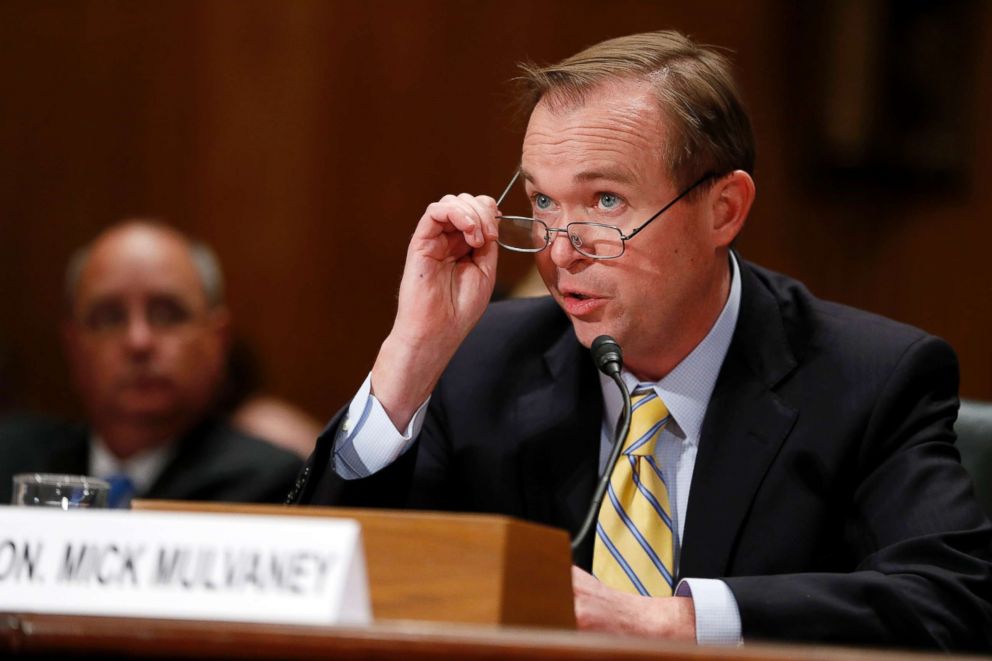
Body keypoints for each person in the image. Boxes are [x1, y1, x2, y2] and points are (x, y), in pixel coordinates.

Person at [290, 31, 992, 650]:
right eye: (541, 203)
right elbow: (314, 588)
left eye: (604, 203)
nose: (561, 252)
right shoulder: (478, 361)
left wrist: (667, 622)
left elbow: (954, 599)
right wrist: (410, 359)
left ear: (725, 209)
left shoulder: (869, 379)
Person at [0, 220, 303, 505]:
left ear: (217, 342)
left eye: (167, 315)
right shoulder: (11, 464)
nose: (138, 342)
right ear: (75, 349)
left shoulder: (272, 485)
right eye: (109, 318)